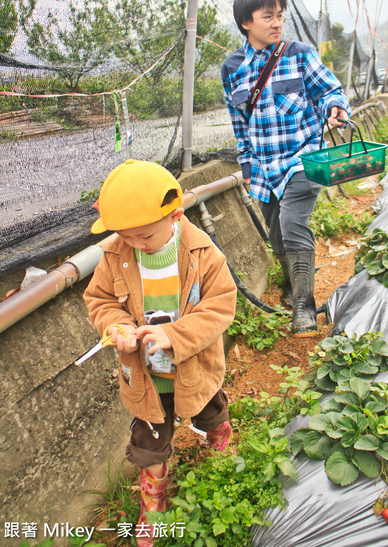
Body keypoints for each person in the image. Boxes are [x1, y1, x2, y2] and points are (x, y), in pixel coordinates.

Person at [83, 159, 237, 547]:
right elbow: (100, 300)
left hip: (193, 366)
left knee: (208, 407)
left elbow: (220, 306)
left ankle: (219, 437)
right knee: (148, 443)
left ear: (175, 215)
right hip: (146, 376)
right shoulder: (115, 255)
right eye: (126, 236)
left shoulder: (202, 254)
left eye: (144, 236)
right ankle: (154, 504)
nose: (135, 244)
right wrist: (115, 326)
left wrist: (175, 334)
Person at [221, 0, 350, 334]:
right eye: (268, 17)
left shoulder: (299, 53)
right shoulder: (232, 68)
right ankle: (294, 285)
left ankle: (305, 308)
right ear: (246, 22)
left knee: (294, 224)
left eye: (280, 16)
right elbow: (239, 123)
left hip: (303, 159)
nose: (277, 23)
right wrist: (247, 164)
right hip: (263, 167)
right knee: (276, 235)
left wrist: (336, 107)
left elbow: (329, 90)